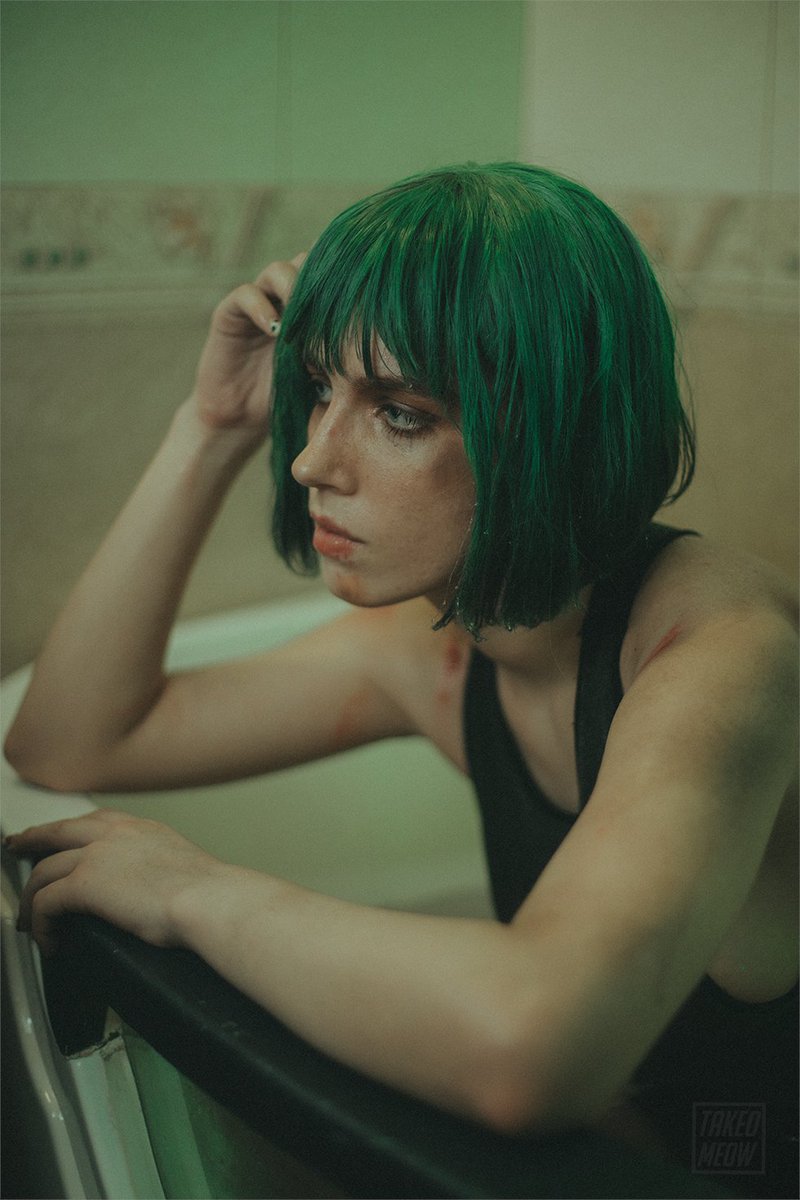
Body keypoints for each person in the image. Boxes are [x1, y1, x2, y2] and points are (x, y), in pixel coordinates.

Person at [5, 164, 797, 1193]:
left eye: (400, 413)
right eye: (318, 391)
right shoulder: (441, 650)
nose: (310, 461)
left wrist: (189, 892)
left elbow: (530, 1047)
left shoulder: (722, 654)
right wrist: (211, 429)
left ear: (545, 427)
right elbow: (67, 740)